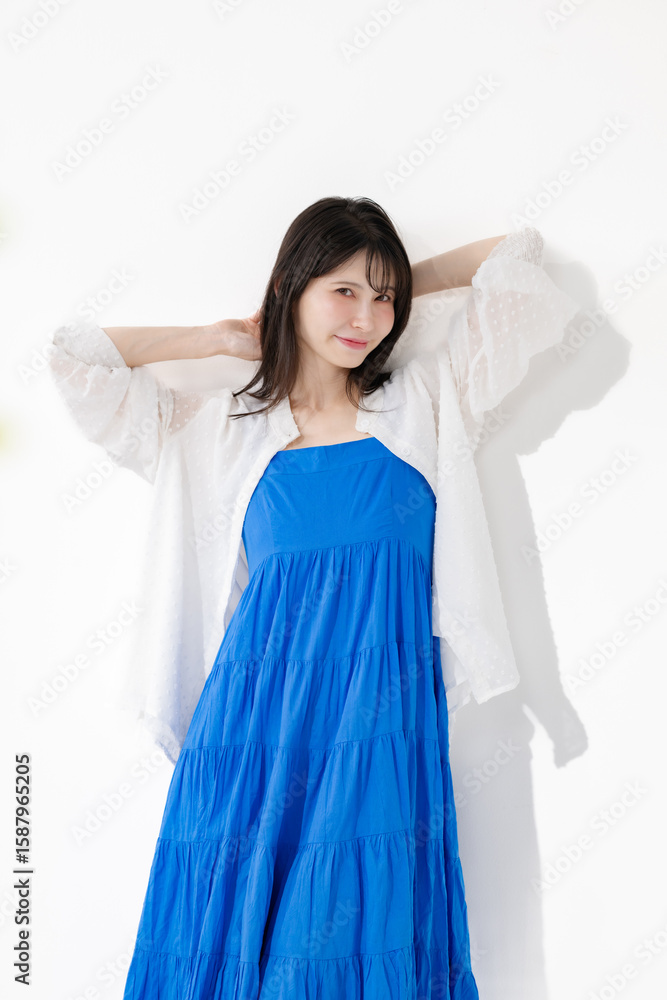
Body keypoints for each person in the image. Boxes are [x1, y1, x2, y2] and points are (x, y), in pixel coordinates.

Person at [47, 196, 580, 999]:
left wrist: (391, 277)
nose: (366, 316)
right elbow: (72, 357)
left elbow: (517, 256)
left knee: (348, 943)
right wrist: (216, 338)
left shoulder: (424, 403)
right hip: (253, 732)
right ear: (290, 288)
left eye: (383, 297)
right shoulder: (219, 428)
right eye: (343, 291)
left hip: (380, 724)